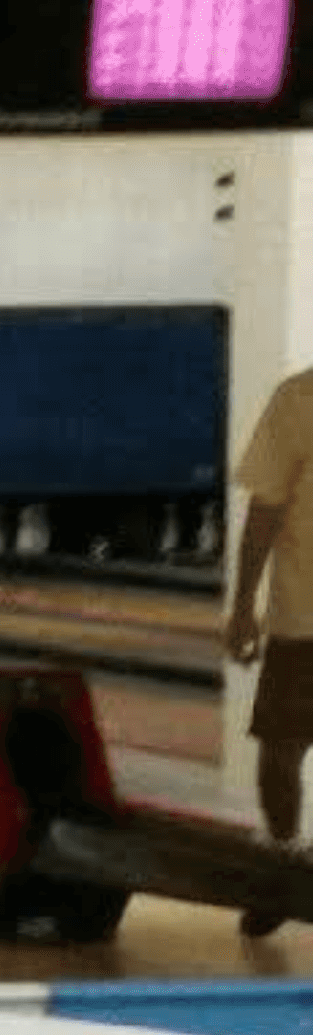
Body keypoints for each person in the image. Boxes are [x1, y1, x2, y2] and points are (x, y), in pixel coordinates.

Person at [230, 363, 313, 936]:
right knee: (279, 752)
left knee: (280, 750)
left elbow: (264, 516)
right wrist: (243, 607)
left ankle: (283, 870)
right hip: (302, 617)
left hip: (299, 619)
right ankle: (283, 867)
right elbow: (264, 513)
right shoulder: (298, 399)